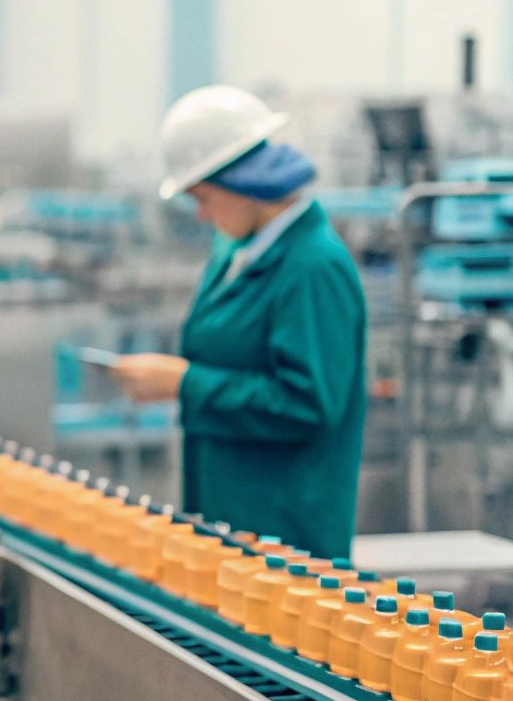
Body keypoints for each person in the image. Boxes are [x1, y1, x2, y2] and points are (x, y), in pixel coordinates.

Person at [108, 85, 366, 560]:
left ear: (241, 182)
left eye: (202, 198)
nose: (202, 215)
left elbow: (307, 405)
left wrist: (186, 383)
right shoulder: (235, 250)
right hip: (229, 525)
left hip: (285, 536)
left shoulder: (313, 267)